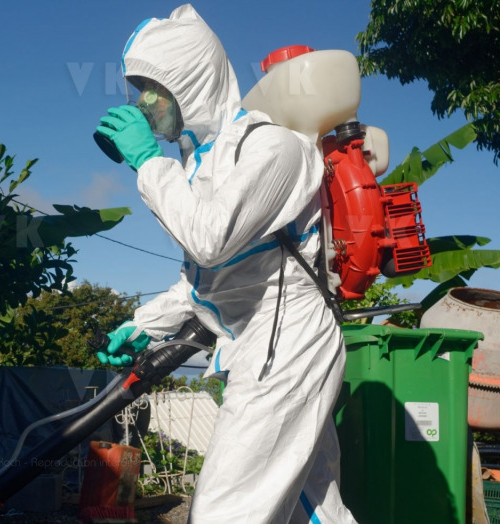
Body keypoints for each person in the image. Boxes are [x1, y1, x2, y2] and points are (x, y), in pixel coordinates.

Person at [94, 5, 357, 523]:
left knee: (225, 510)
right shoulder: (203, 166)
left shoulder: (274, 148)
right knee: (313, 507)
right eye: (137, 88)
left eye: (154, 86)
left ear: (191, 82)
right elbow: (205, 282)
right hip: (259, 344)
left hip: (287, 344)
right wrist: (143, 324)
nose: (143, 102)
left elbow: (211, 240)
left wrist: (149, 163)